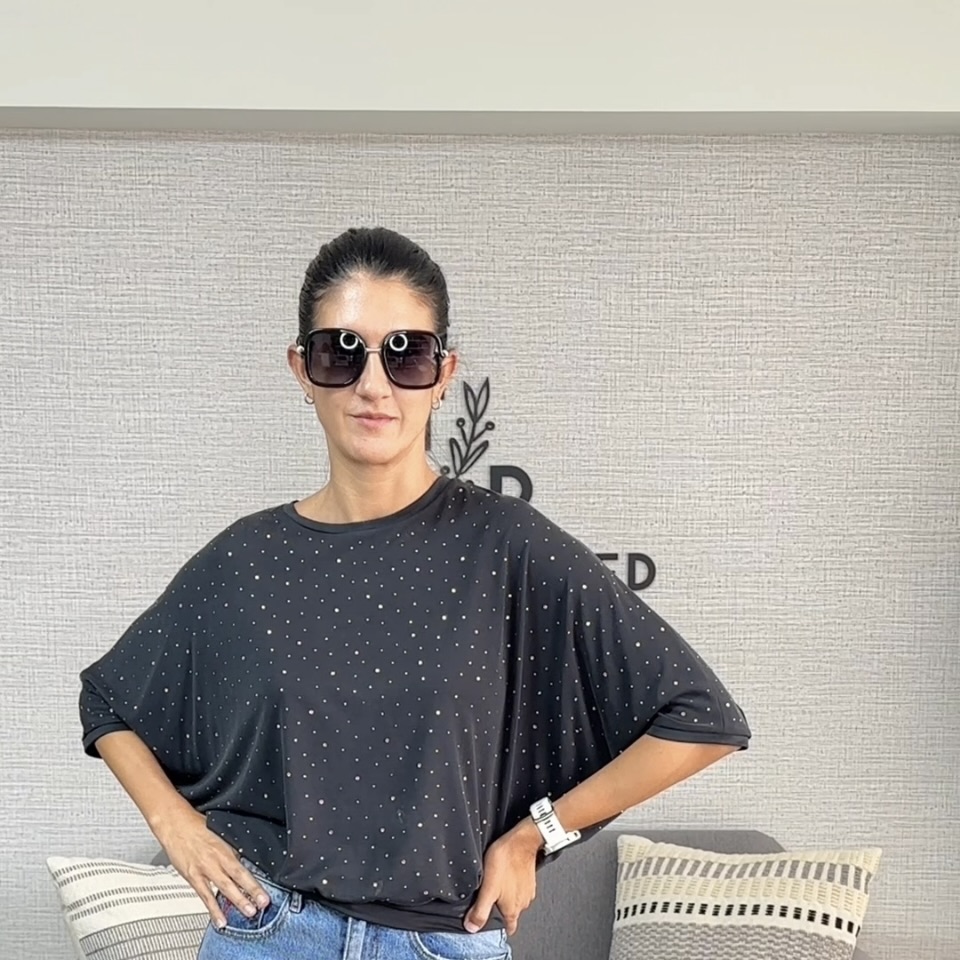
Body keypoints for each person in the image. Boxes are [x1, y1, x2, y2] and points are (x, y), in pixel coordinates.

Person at [79, 226, 752, 960]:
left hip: (442, 942)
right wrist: (174, 825)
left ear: (443, 374)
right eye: (342, 352)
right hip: (268, 932)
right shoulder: (247, 559)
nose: (373, 384)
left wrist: (537, 834)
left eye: (406, 354)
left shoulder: (505, 544)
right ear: (302, 369)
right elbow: (109, 702)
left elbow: (701, 718)